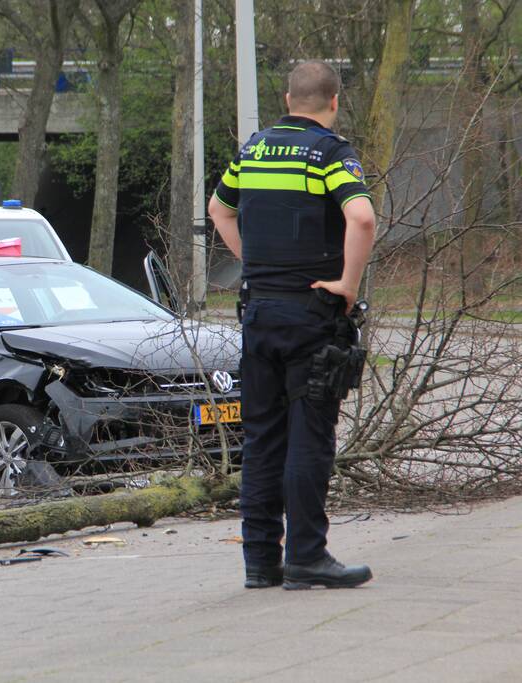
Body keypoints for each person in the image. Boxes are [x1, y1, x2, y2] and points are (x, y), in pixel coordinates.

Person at [207, 60, 377, 590]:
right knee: (310, 435)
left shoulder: (252, 150)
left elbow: (219, 209)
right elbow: (362, 217)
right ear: (333, 102)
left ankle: (260, 562)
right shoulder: (330, 153)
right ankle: (307, 555)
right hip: (310, 314)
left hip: (259, 312)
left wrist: (253, 263)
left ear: (286, 99)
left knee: (260, 438)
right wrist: (347, 283)